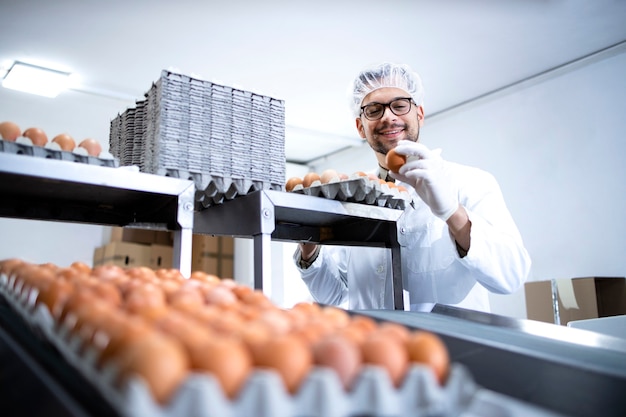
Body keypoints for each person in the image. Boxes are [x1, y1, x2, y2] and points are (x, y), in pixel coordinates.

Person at [293, 62, 531, 313]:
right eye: (374, 110)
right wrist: (309, 247)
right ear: (360, 127)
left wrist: (453, 213)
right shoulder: (354, 197)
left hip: (449, 350)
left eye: (400, 105)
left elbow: (511, 276)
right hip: (373, 348)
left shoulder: (470, 182)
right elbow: (334, 296)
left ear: (419, 114)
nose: (388, 116)